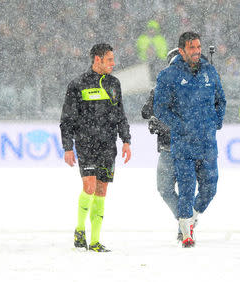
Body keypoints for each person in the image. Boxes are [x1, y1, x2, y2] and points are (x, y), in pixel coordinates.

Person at [154, 32, 226, 248]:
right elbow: (159, 108)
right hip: (183, 143)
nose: (197, 51)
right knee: (186, 188)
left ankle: (191, 219)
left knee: (210, 188)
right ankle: (186, 234)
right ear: (182, 51)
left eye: (198, 46)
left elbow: (220, 100)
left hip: (207, 142)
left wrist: (216, 121)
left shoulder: (210, 71)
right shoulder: (168, 75)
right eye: (192, 47)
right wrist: (179, 126)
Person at [60, 43, 131, 252]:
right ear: (97, 60)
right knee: (89, 186)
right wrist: (68, 147)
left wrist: (126, 140)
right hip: (86, 144)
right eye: (109, 59)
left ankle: (95, 241)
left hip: (108, 146)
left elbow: (121, 114)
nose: (113, 63)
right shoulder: (77, 84)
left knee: (101, 190)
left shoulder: (114, 84)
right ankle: (80, 229)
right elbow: (67, 119)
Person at [141, 48, 180, 239]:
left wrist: (160, 122)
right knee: (169, 189)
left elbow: (146, 112)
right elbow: (146, 111)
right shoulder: (160, 88)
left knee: (169, 188)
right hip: (171, 147)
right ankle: (186, 219)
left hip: (177, 147)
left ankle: (185, 222)